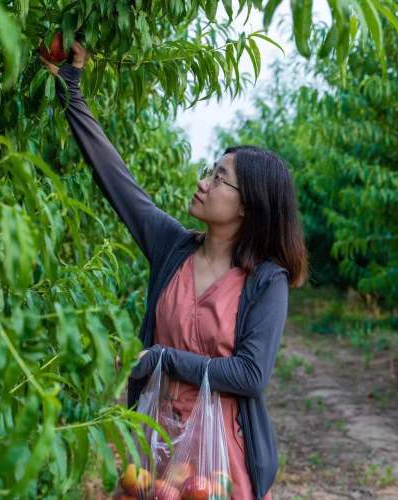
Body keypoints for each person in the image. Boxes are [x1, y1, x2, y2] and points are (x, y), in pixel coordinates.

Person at [40, 41, 308, 500]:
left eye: (219, 178)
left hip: (219, 457)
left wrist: (164, 358)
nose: (203, 182)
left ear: (249, 206)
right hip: (155, 441)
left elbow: (250, 375)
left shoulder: (267, 280)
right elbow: (115, 178)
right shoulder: (173, 249)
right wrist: (71, 89)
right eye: (210, 171)